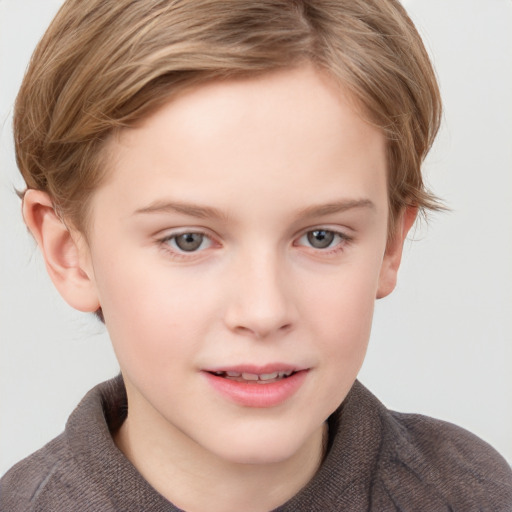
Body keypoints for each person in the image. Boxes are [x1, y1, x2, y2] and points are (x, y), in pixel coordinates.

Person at [1, 0, 511, 510]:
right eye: (188, 240)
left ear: (390, 246)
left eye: (321, 237)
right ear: (69, 251)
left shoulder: (476, 493)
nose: (264, 312)